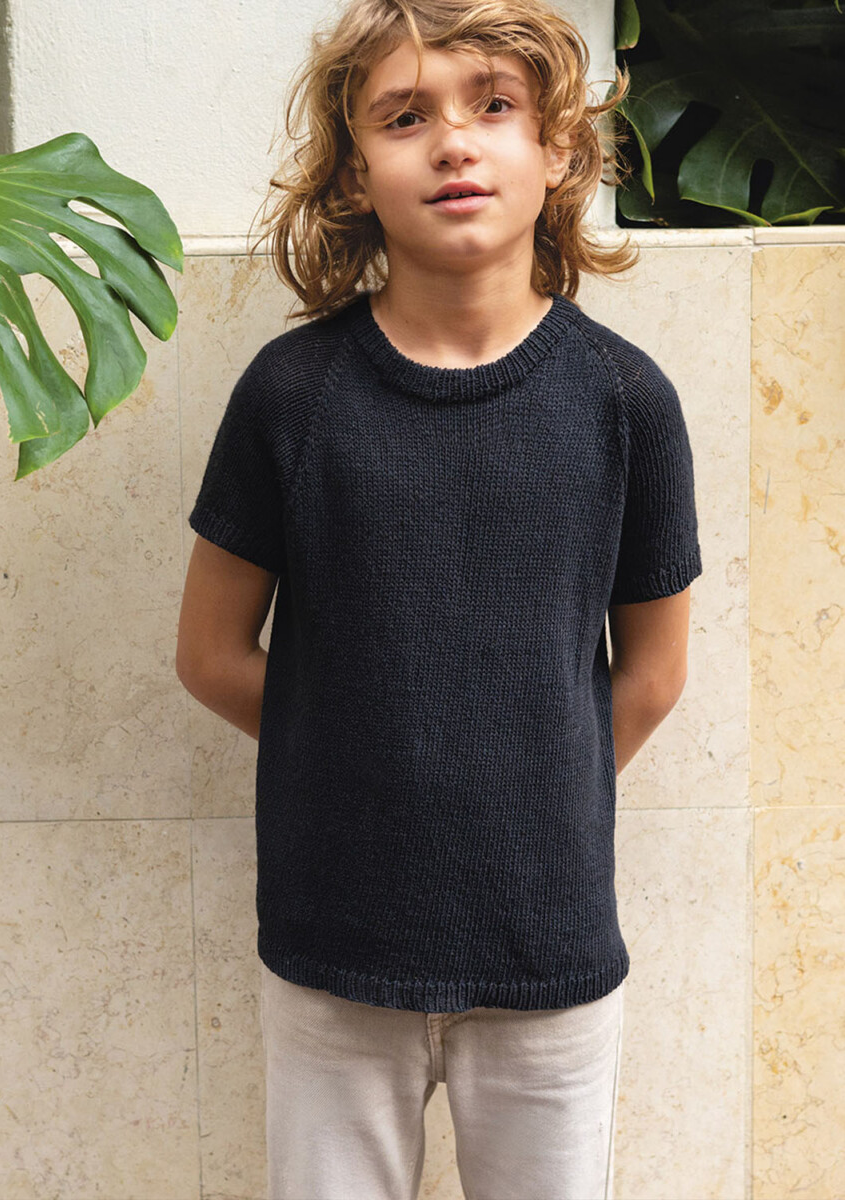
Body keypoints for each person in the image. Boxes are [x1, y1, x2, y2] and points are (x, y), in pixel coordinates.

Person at [176, 0, 703, 1196]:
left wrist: (526, 781)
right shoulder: (292, 397)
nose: (454, 142)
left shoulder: (627, 403)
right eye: (405, 117)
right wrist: (359, 755)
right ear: (355, 172)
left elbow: (654, 672)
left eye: (494, 106)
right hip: (333, 948)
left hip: (549, 948)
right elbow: (210, 653)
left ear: (556, 148)